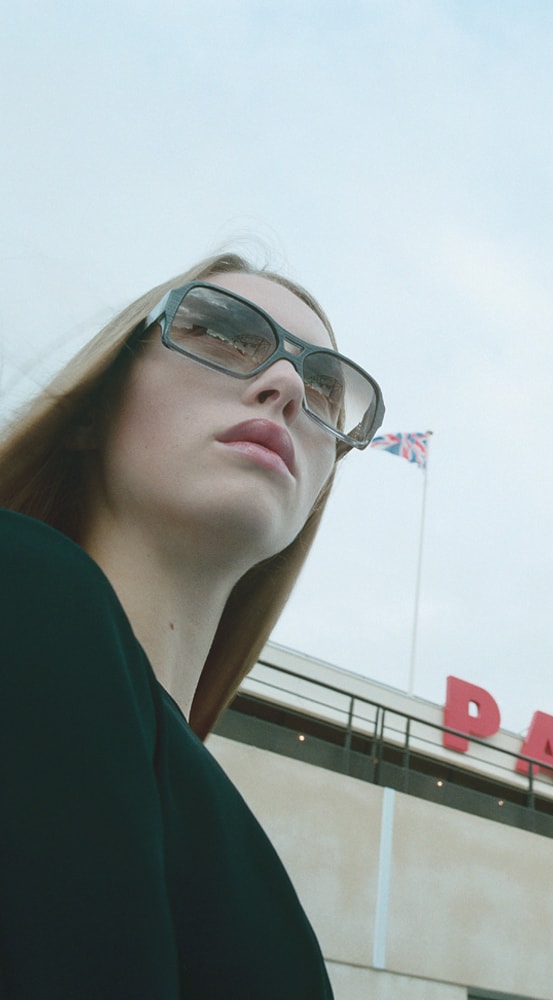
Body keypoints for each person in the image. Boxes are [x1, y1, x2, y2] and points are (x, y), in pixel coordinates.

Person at [0, 252, 385, 998]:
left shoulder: (241, 858)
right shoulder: (26, 579)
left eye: (324, 391)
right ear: (94, 408)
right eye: (223, 334)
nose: (285, 387)